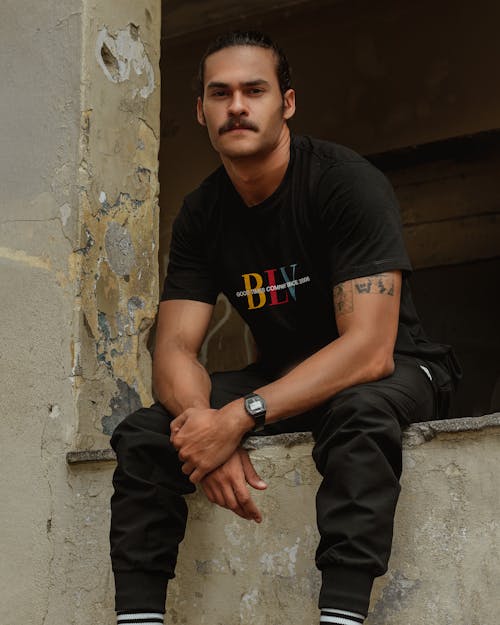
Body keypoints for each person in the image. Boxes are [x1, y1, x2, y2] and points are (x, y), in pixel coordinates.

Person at [109, 30, 460, 625]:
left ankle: (340, 618)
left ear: (287, 103)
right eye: (219, 94)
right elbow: (172, 348)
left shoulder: (344, 182)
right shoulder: (202, 212)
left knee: (361, 412)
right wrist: (204, 428)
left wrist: (239, 416)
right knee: (148, 431)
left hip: (396, 364)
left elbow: (369, 350)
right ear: (200, 110)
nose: (237, 106)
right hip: (283, 378)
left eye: (254, 90)